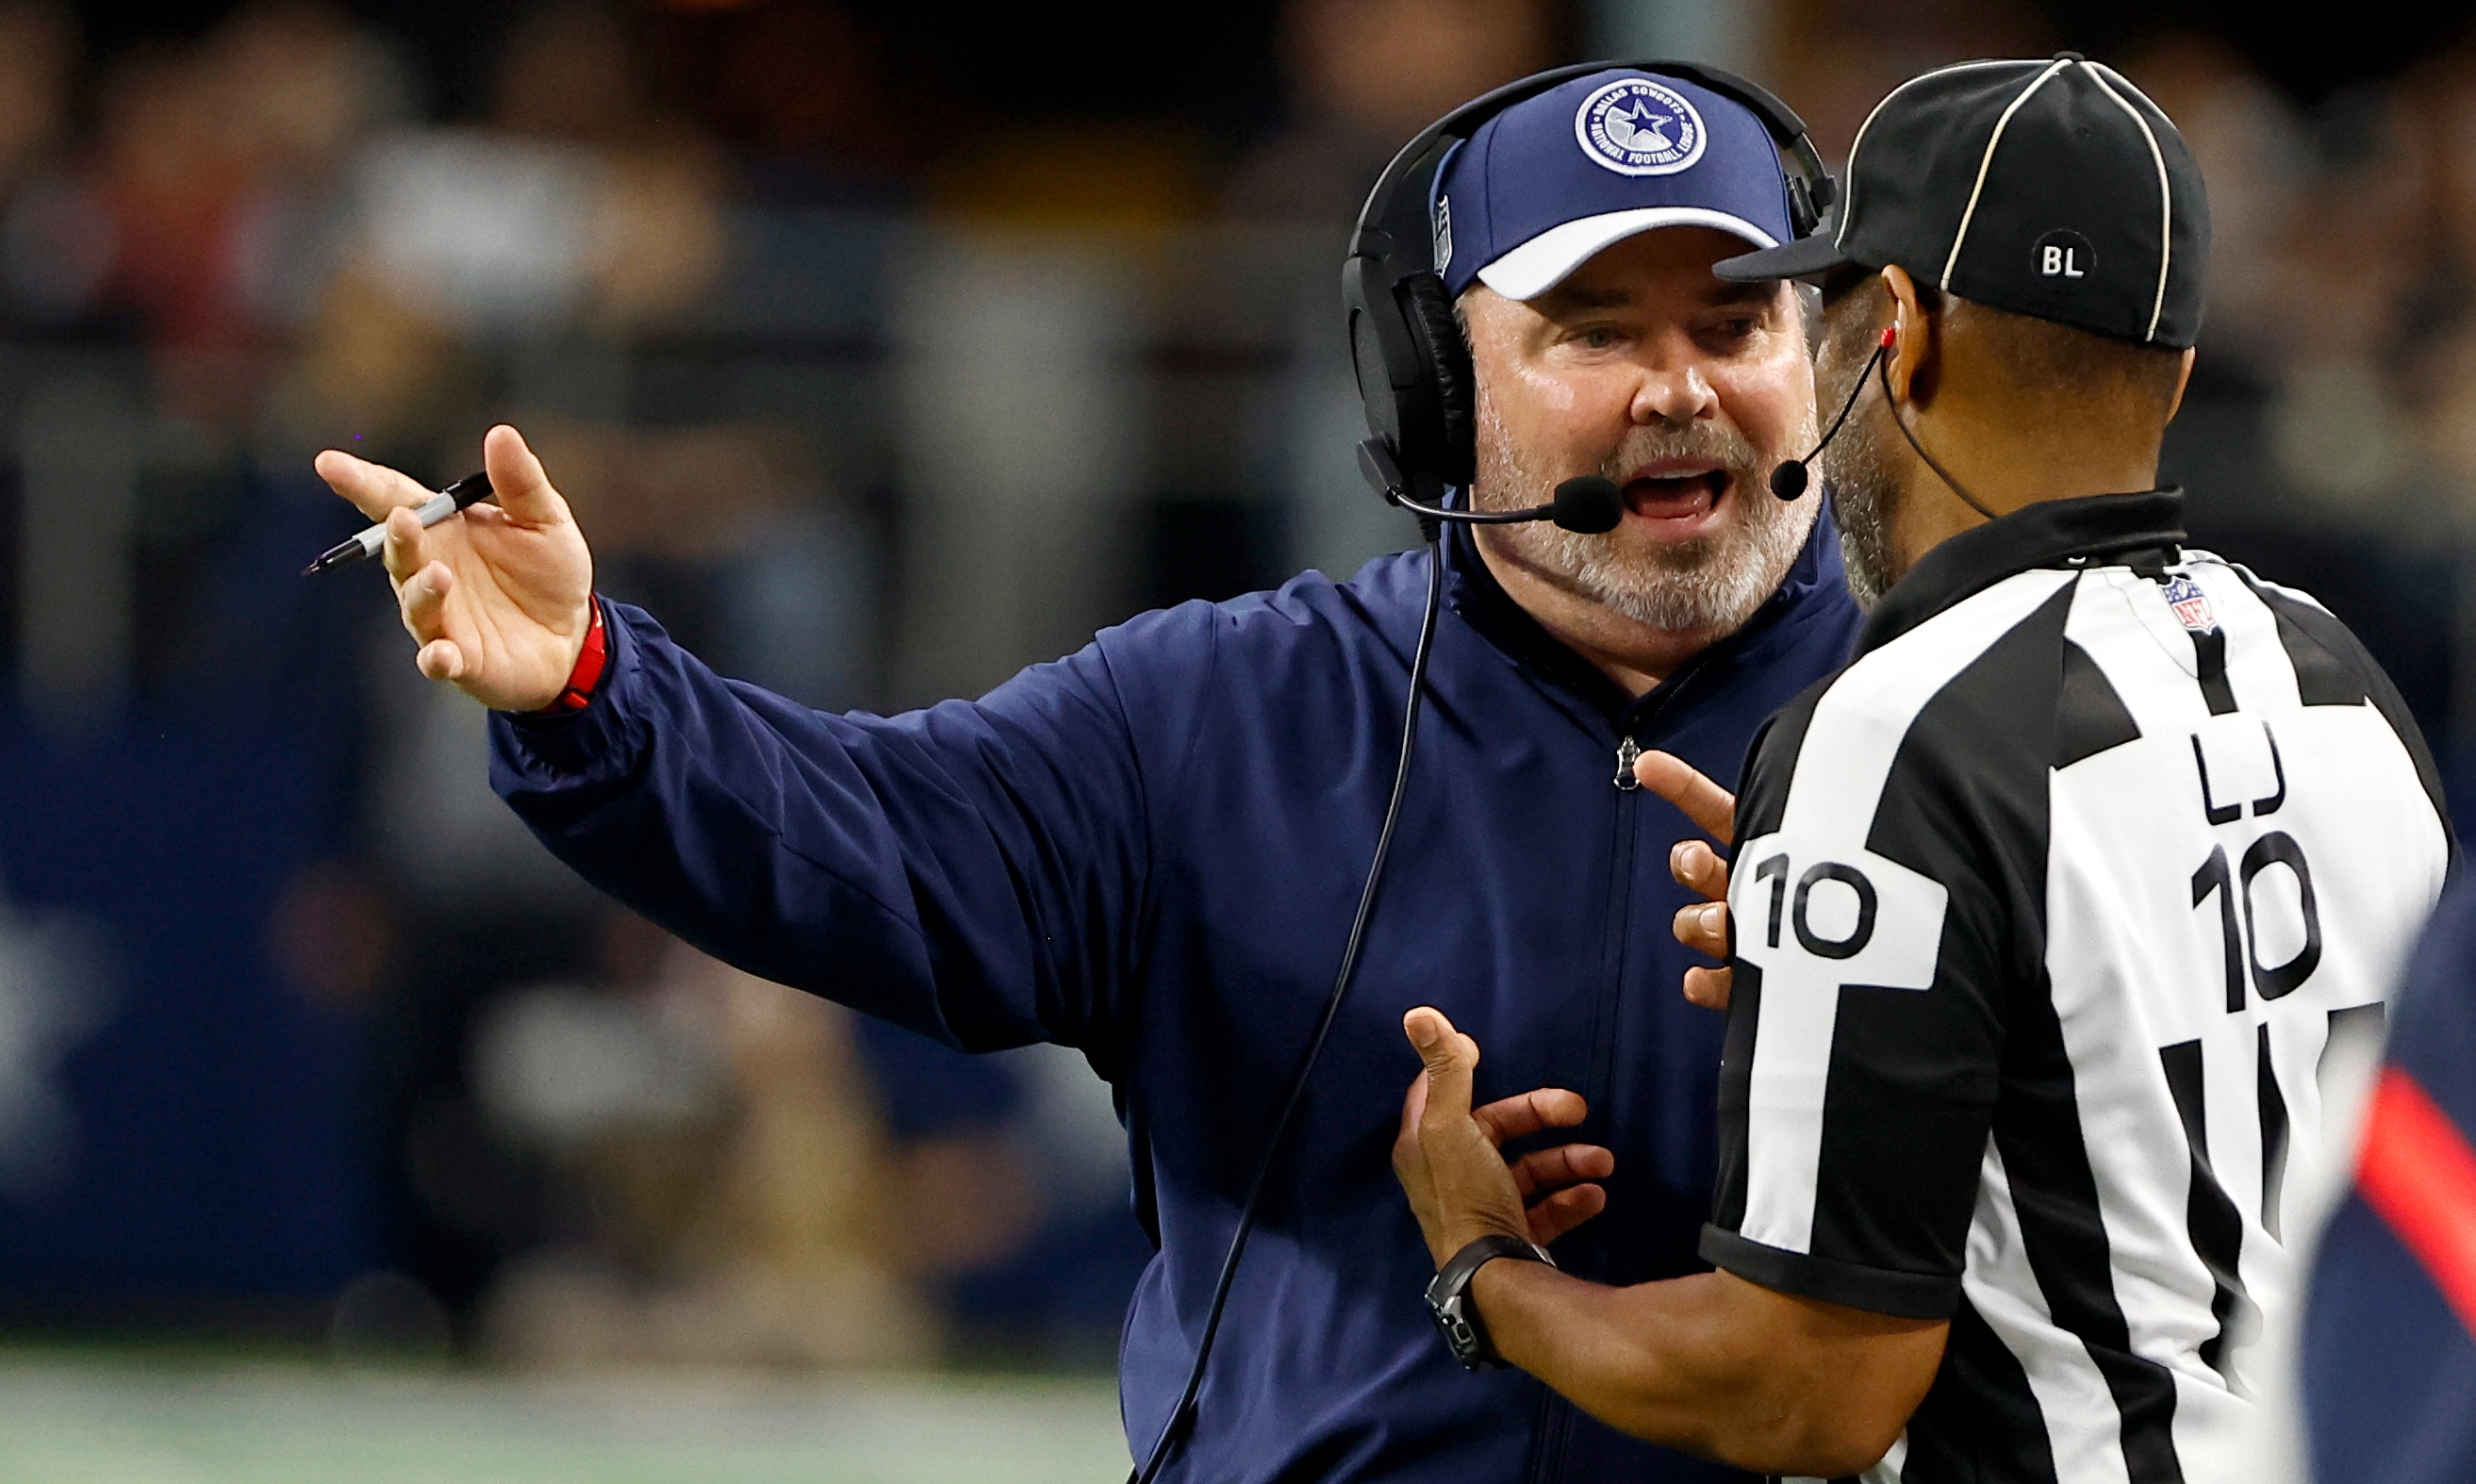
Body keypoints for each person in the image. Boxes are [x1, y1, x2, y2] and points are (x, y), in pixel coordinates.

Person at [316, 66, 1864, 1483]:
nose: (1679, 386)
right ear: (1440, 387)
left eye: (1733, 324)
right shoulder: (1227, 710)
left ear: (1818, 361)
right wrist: (597, 685)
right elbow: (869, 840)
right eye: (1596, 330)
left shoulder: (1959, 723)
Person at [1393, 55, 2455, 1479]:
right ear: (2181, 367)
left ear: (1898, 327)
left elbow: (1810, 1391)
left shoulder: (1896, 734)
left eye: (1821, 315)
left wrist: (1485, 1271)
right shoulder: (2340, 680)